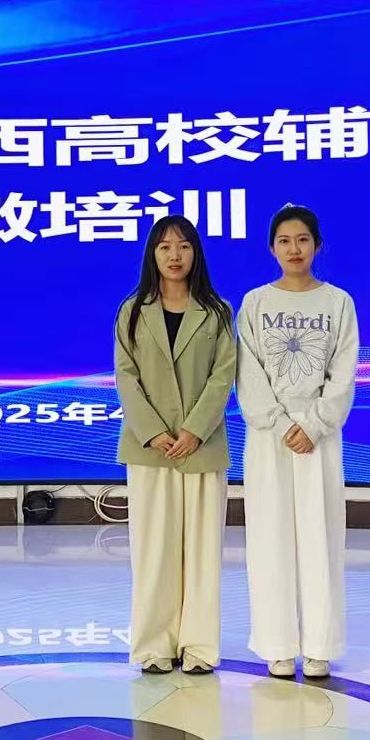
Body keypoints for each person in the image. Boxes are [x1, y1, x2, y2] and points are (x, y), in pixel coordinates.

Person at [236, 205, 358, 680]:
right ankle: (278, 644)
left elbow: (343, 372)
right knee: (270, 537)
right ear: (272, 248)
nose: (294, 249)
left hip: (318, 438)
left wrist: (315, 424)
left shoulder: (338, 303)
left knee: (319, 536)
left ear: (317, 246)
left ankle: (320, 645)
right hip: (269, 437)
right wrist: (278, 421)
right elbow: (248, 371)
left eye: (303, 240)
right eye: (285, 241)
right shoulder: (255, 303)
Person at [113, 215, 238, 675]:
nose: (174, 255)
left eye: (184, 246)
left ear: (195, 253)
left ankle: (199, 647)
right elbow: (125, 375)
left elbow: (223, 375)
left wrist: (194, 430)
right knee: (154, 551)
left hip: (201, 446)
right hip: (149, 447)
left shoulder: (218, 311)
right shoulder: (132, 310)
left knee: (202, 552)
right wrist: (152, 430)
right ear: (152, 254)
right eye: (165, 247)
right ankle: (154, 646)